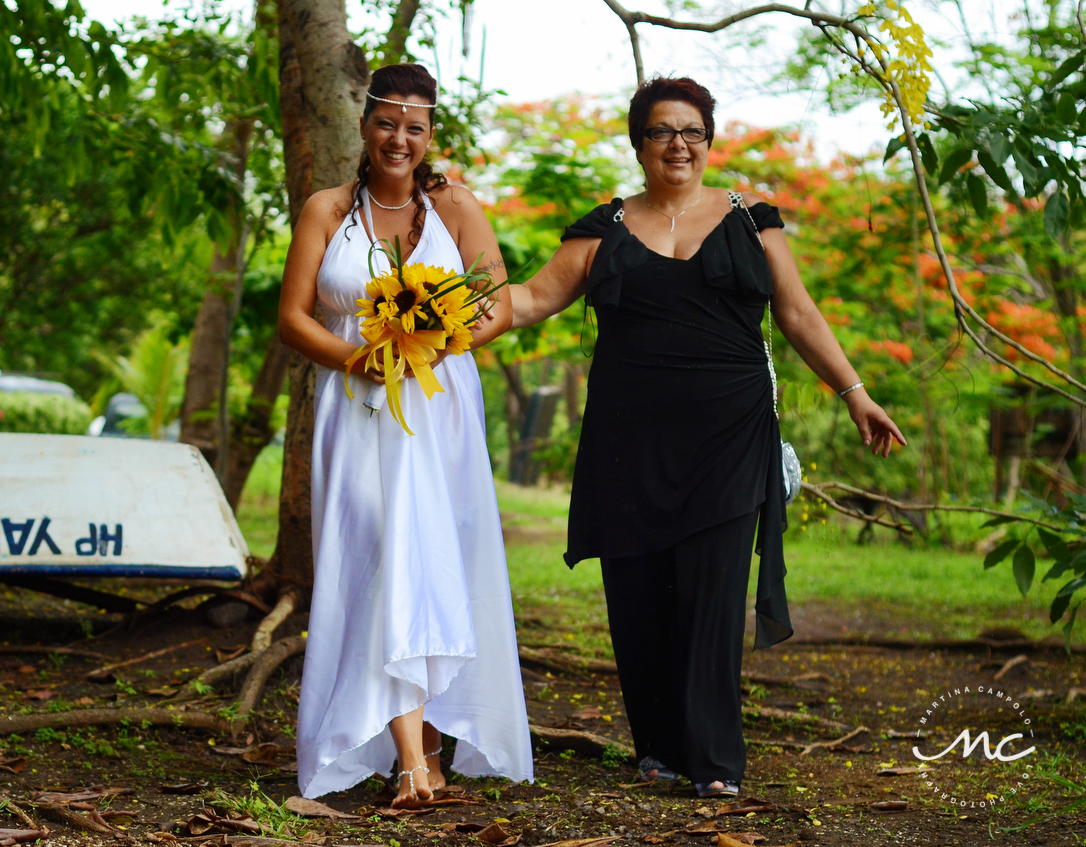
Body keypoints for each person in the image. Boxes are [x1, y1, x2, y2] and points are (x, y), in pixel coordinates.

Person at [507, 76, 905, 798]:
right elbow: (532, 298)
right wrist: (437, 318)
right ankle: (657, 747)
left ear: (709, 141)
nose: (678, 144)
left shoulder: (752, 219)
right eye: (662, 131)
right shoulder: (605, 228)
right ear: (639, 144)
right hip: (629, 442)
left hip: (729, 435)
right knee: (638, 595)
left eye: (692, 131)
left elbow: (799, 312)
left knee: (713, 594)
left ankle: (715, 760)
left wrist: (856, 393)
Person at [279, 63, 534, 807]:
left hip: (438, 411)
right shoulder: (328, 209)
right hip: (355, 409)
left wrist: (430, 341)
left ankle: (422, 754)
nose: (400, 138)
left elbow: (497, 305)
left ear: (429, 135)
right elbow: (295, 317)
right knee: (380, 558)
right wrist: (364, 355)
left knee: (430, 564)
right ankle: (410, 757)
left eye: (414, 127)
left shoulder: (454, 205)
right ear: (364, 126)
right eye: (387, 122)